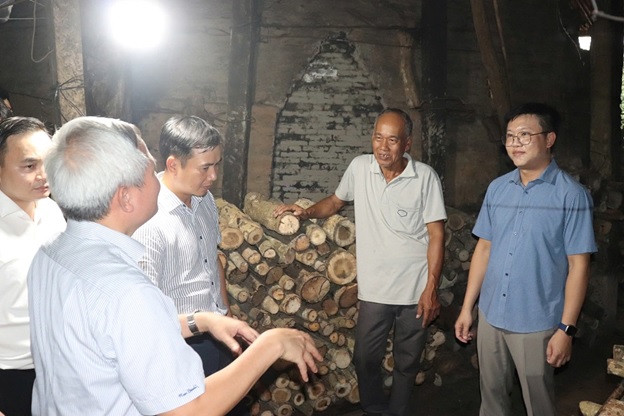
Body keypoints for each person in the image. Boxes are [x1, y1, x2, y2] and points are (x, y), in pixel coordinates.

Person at [28, 116, 321, 416]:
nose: (158, 180)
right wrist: (270, 346)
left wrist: (201, 321)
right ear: (126, 197)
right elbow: (187, 411)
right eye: (150, 171)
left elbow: (120, 334)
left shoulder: (50, 253)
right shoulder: (128, 292)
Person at [275, 108, 447, 416]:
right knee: (365, 358)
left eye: (392, 140)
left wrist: (431, 288)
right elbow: (335, 201)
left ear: (407, 143)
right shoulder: (359, 168)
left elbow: (436, 234)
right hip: (375, 290)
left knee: (407, 362)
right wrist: (306, 211)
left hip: (415, 289)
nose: (383, 147)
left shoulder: (425, 177)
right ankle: (373, 407)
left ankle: (398, 411)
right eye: (378, 138)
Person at [454, 103, 597, 416]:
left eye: (524, 135)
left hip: (536, 321)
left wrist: (566, 330)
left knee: (538, 404)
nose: (515, 143)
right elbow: (484, 249)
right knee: (491, 399)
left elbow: (579, 266)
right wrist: (467, 308)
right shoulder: (497, 189)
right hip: (491, 314)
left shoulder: (571, 196)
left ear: (549, 139)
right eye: (509, 136)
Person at [131, 116, 237, 382]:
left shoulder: (205, 199)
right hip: (179, 345)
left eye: (217, 165)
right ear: (173, 165)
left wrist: (226, 312)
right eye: (205, 168)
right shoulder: (149, 221)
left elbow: (213, 259)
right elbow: (143, 312)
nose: (213, 176)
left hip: (219, 333)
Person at [0, 117, 66, 416]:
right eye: (29, 166)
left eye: (48, 162)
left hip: (61, 366)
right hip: (12, 377)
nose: (44, 175)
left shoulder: (51, 211)